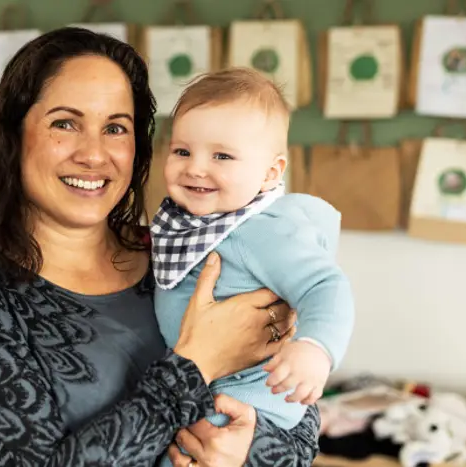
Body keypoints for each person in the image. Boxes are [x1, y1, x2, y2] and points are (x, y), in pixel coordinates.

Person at [0, 27, 321, 467]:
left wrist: (242, 451)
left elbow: (299, 428)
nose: (94, 154)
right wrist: (197, 363)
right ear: (13, 136)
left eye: (115, 128)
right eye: (65, 123)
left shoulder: (183, 257)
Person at [150, 68, 354, 464]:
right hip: (207, 387)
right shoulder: (187, 224)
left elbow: (326, 285)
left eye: (222, 156)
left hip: (247, 400)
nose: (196, 167)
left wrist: (315, 348)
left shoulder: (257, 233)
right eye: (182, 151)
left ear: (270, 173)